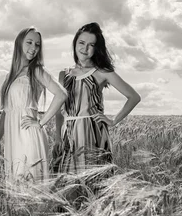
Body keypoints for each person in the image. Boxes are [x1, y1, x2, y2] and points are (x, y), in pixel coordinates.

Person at [54, 22, 141, 172]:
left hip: (92, 132)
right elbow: (58, 109)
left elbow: (133, 97)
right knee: (68, 181)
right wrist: (57, 137)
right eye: (81, 42)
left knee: (95, 180)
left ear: (96, 48)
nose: (85, 48)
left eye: (91, 45)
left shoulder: (102, 72)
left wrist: (113, 121)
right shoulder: (63, 74)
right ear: (75, 43)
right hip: (67, 133)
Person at [0, 27, 67, 182]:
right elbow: (7, 111)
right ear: (19, 43)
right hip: (12, 138)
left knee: (30, 184)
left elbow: (61, 94)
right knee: (15, 184)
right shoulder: (10, 76)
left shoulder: (36, 70)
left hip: (28, 134)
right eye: (29, 42)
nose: (34, 48)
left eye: (37, 44)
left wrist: (41, 122)